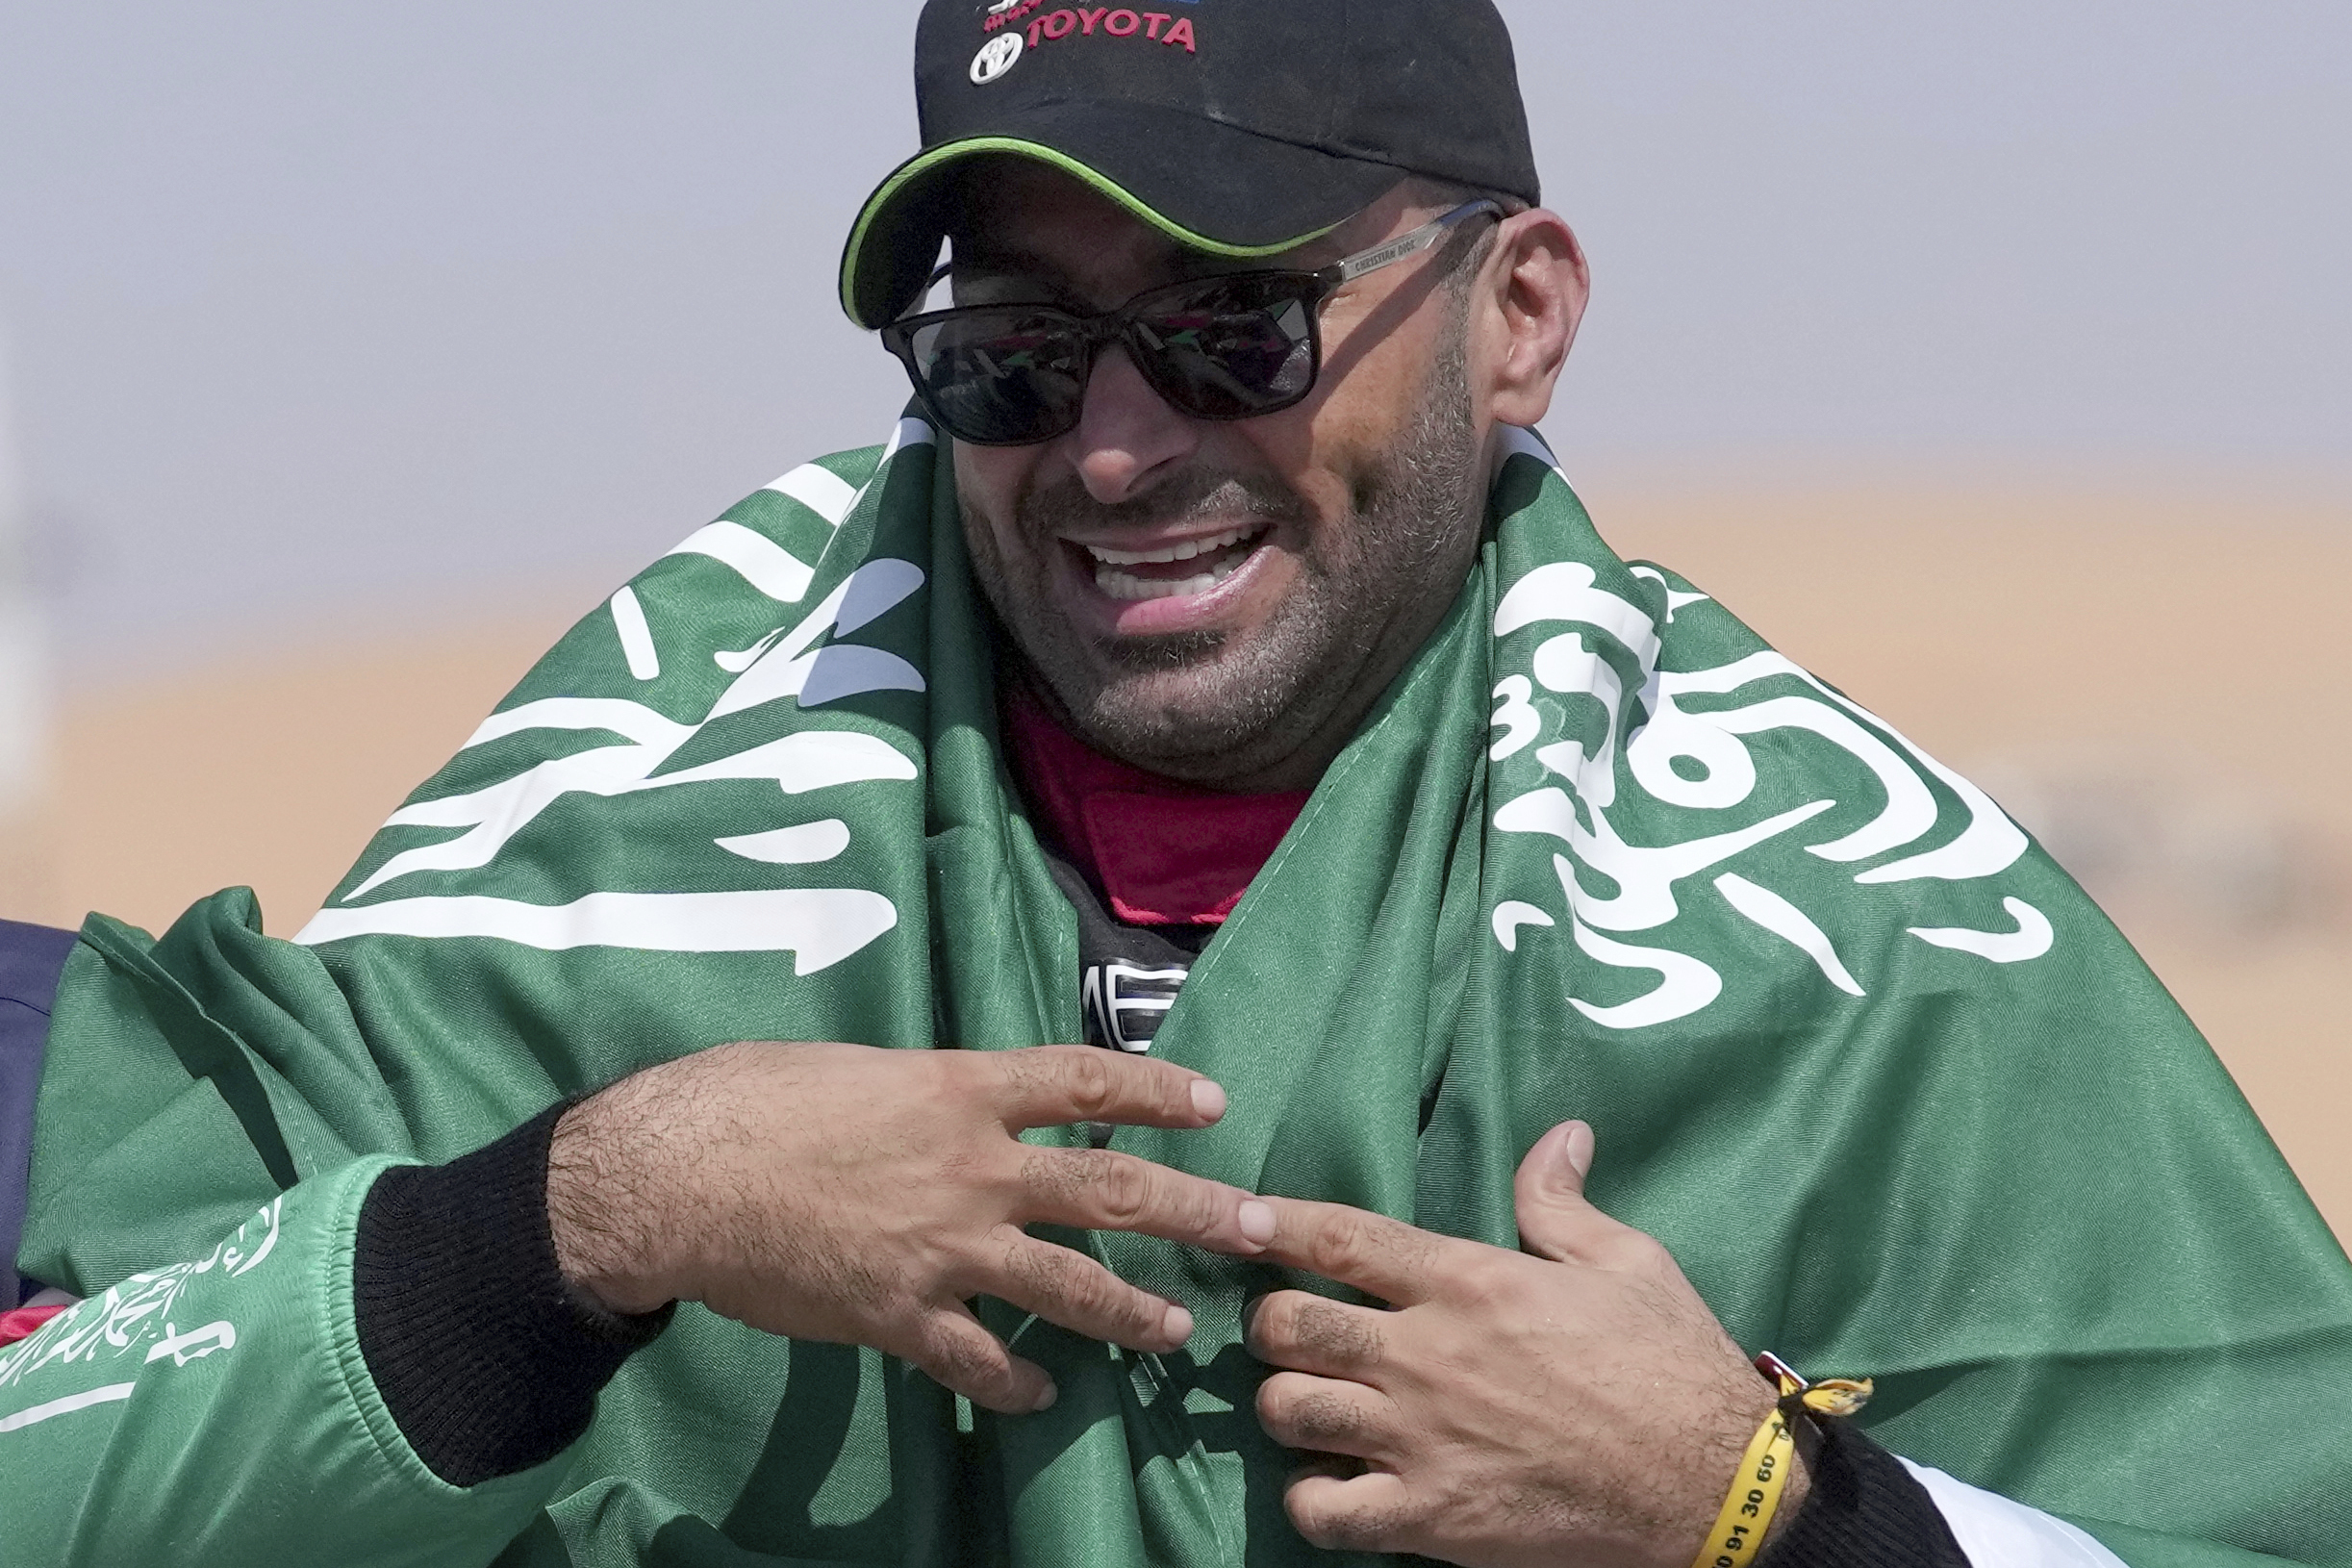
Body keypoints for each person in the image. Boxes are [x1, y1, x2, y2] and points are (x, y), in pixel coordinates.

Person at [4, 3, 2349, 1563]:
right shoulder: (639, 800)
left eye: (1236, 323)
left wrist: (1757, 1503)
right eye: (1009, 354)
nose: (1116, 452)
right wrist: (576, 1215)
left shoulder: (1835, 921)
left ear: (1516, 311)